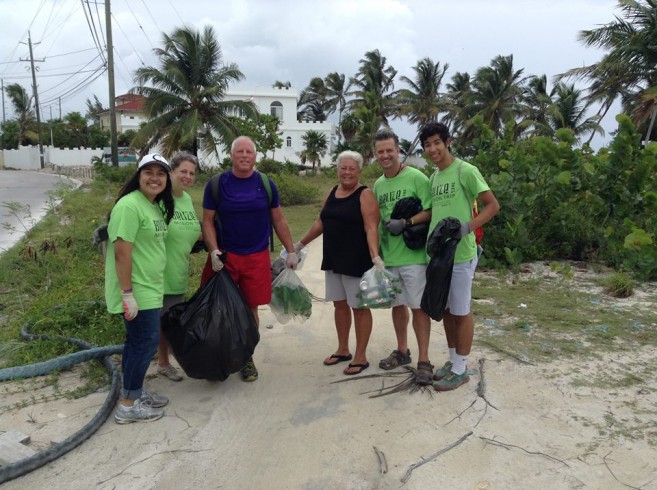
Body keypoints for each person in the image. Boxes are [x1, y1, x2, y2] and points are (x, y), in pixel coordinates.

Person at [201, 136, 298, 382]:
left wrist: (291, 250)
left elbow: (278, 219)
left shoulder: (266, 184)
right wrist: (213, 251)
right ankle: (220, 356)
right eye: (239, 151)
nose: (244, 155)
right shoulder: (217, 184)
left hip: (256, 257)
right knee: (219, 308)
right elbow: (208, 221)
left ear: (255, 156)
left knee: (250, 309)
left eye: (249, 152)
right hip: (226, 257)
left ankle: (246, 357)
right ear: (231, 155)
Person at [419, 121, 500, 391]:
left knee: (462, 311)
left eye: (436, 143)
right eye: (427, 145)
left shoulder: (466, 170)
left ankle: (462, 369)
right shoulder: (434, 177)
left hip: (462, 254)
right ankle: (453, 362)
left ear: (448, 142)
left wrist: (467, 228)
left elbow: (492, 205)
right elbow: (434, 213)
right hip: (439, 256)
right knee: (446, 310)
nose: (432, 149)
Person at [295, 151, 381, 375]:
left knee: (359, 308)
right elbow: (320, 222)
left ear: (359, 171)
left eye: (352, 168)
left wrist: (375, 256)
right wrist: (299, 245)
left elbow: (371, 227)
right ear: (337, 170)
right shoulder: (333, 191)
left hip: (357, 260)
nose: (347, 172)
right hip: (334, 258)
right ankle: (343, 349)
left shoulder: (365, 194)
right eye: (343, 168)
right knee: (339, 305)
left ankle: (361, 356)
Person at [105, 153, 175, 424]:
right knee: (142, 345)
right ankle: (128, 405)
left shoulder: (152, 205)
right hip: (136, 290)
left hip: (150, 287)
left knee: (140, 344)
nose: (155, 178)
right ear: (139, 176)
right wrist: (127, 294)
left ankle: (136, 391)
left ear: (166, 179)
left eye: (161, 173)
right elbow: (121, 253)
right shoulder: (129, 206)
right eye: (149, 172)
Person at [372, 129, 434, 385]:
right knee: (397, 306)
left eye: (389, 150)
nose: (385, 155)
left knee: (418, 307)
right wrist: (376, 254)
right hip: (390, 258)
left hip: (414, 257)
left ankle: (424, 360)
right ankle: (402, 351)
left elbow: (432, 210)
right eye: (380, 152)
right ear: (375, 155)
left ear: (398, 150)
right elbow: (374, 221)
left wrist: (406, 221)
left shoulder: (417, 177)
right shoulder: (378, 184)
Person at [157, 152, 202, 382]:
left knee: (170, 320)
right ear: (171, 172)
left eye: (192, 173)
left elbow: (193, 230)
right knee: (161, 323)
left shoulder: (185, 199)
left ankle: (167, 360)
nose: (187, 176)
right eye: (183, 171)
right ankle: (163, 363)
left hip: (179, 271)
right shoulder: (159, 199)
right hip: (158, 273)